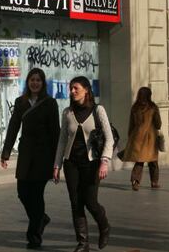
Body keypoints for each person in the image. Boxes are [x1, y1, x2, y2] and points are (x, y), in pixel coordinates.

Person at [1, 68, 60, 249]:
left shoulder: (50, 103)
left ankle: (34, 235)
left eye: (38, 80)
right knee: (22, 192)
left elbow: (55, 132)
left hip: (43, 156)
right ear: (27, 82)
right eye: (32, 80)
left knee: (36, 194)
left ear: (43, 83)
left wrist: (57, 161)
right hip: (26, 154)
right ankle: (41, 218)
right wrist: (6, 153)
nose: (35, 83)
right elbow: (13, 128)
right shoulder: (21, 102)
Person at [53, 76, 113, 252]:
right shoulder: (67, 112)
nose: (72, 91)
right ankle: (83, 243)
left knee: (90, 201)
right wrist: (57, 165)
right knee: (75, 202)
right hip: (71, 163)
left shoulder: (98, 110)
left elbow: (109, 138)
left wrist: (104, 162)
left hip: (92, 164)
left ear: (86, 90)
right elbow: (62, 140)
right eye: (71, 88)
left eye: (76, 88)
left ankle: (104, 226)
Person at [122, 87, 162, 191]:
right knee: (153, 161)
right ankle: (154, 182)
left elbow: (131, 124)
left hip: (137, 137)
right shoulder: (153, 107)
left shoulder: (135, 107)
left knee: (139, 161)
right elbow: (158, 124)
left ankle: (135, 181)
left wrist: (130, 136)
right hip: (150, 138)